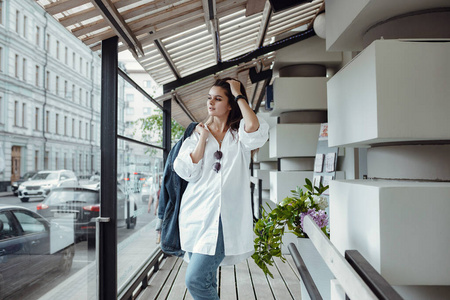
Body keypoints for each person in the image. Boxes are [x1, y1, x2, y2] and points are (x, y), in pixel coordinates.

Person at [173, 78, 269, 299]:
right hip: (197, 214)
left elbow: (254, 128)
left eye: (218, 98)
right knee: (206, 279)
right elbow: (188, 171)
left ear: (230, 105)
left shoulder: (240, 136)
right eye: (209, 98)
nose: (211, 102)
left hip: (226, 217)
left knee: (195, 279)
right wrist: (203, 138)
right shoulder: (196, 134)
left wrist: (238, 93)